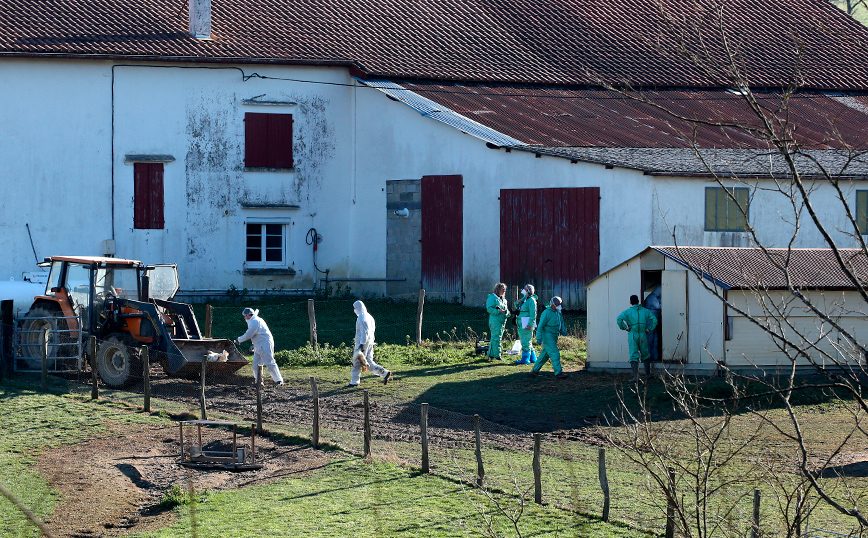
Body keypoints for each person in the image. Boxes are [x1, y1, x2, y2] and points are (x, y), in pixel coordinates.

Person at [237, 308, 284, 387]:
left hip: (265, 344)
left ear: (248, 315)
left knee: (270, 362)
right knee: (256, 364)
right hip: (259, 345)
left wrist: (239, 340)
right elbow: (257, 334)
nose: (244, 318)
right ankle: (258, 382)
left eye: (245, 316)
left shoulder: (255, 321)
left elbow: (249, 334)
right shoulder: (254, 321)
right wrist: (254, 344)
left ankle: (279, 381)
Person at [617, 294, 659, 382]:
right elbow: (654, 320)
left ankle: (635, 377)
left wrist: (625, 328)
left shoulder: (628, 312)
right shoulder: (645, 311)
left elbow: (619, 319)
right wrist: (649, 329)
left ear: (631, 302)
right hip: (643, 334)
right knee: (645, 354)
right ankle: (648, 375)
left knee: (633, 355)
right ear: (638, 301)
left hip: (633, 334)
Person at [350, 300, 391, 387]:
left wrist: (361, 344)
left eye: (355, 308)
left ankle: (354, 381)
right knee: (368, 362)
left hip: (362, 342)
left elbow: (365, 331)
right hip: (370, 342)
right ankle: (384, 373)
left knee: (356, 362)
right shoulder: (369, 316)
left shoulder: (361, 317)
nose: (354, 309)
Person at [530, 296, 569, 379]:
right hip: (547, 335)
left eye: (560, 304)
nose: (559, 306)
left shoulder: (558, 312)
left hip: (554, 335)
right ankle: (558, 372)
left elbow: (561, 321)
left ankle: (534, 370)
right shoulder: (546, 312)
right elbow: (540, 325)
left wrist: (563, 329)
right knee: (555, 353)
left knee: (545, 355)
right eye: (558, 304)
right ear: (553, 304)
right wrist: (539, 337)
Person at [513, 284, 538, 365]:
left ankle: (525, 359)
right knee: (527, 340)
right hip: (521, 322)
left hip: (526, 322)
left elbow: (533, 313)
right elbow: (516, 306)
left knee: (525, 340)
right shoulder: (525, 299)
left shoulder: (531, 300)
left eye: (525, 289)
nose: (523, 290)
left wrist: (530, 323)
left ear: (528, 291)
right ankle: (533, 358)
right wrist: (518, 302)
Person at [485, 283, 509, 360]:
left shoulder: (504, 299)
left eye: (505, 289)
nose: (504, 291)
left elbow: (506, 308)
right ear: (498, 289)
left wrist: (507, 312)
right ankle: (497, 355)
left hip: (502, 321)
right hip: (495, 320)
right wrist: (498, 311)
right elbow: (489, 309)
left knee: (496, 337)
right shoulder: (492, 298)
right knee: (496, 337)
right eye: (503, 289)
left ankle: (491, 354)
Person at [644, 285, 662, 362]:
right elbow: (658, 306)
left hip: (654, 321)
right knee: (650, 339)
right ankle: (648, 356)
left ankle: (655, 356)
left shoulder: (655, 298)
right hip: (650, 321)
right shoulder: (652, 298)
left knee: (655, 339)